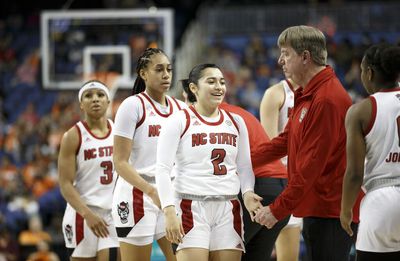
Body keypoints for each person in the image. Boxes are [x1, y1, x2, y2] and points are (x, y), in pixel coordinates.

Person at [252, 25, 362, 261]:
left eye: (286, 53)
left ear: (305, 57)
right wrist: (242, 161)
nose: (280, 60)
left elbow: (310, 166)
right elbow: (284, 141)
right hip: (317, 205)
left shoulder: (326, 100)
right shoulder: (309, 94)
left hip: (331, 210)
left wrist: (276, 209)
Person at [155, 63, 262, 261]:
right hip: (190, 205)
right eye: (211, 81)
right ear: (194, 88)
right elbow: (162, 169)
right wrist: (168, 210)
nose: (219, 87)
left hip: (228, 206)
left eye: (222, 82)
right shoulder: (178, 120)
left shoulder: (236, 122)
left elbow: (245, 166)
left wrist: (247, 193)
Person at [182, 79, 291, 260]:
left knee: (216, 254)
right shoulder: (240, 113)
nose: (186, 106)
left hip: (257, 187)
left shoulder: (212, 119)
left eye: (187, 99)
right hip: (280, 188)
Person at [111, 48, 185, 261]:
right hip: (136, 194)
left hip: (169, 195)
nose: (166, 75)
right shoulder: (132, 105)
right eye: (159, 69)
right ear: (143, 73)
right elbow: (120, 162)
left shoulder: (180, 108)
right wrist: (151, 191)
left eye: (169, 70)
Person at [340, 43, 400, 261]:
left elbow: (355, 173)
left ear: (369, 72)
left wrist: (346, 210)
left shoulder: (360, 111)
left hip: (381, 201)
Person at [58, 80, 120, 260]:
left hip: (112, 214)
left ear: (108, 101)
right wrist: (87, 214)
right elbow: (65, 184)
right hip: (82, 214)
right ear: (81, 104)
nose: (95, 99)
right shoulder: (73, 136)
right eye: (89, 96)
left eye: (100, 95)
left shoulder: (120, 132)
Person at [260, 78, 302, 261]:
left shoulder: (320, 93)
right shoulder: (276, 93)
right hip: (283, 181)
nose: (282, 60)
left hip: (307, 179)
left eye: (287, 54)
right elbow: (270, 148)